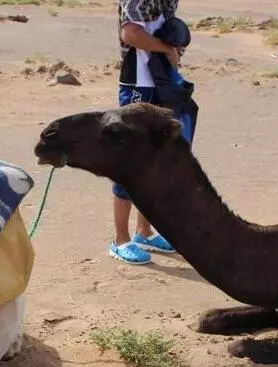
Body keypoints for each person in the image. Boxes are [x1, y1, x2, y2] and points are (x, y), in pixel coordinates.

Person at [110, 0, 194, 265]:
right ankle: (120, 240)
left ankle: (144, 231)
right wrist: (166, 48)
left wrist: (174, 47)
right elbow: (131, 34)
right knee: (131, 160)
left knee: (156, 159)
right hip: (138, 83)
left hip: (163, 81)